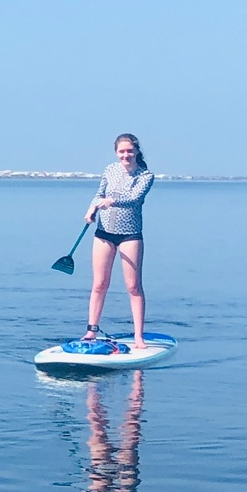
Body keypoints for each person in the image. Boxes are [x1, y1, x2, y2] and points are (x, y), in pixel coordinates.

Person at [83, 132, 154, 343]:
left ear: (137, 151)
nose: (126, 155)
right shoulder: (110, 170)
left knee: (133, 286)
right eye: (121, 151)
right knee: (99, 284)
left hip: (130, 234)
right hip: (104, 232)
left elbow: (134, 198)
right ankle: (91, 331)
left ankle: (139, 336)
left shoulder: (145, 176)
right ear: (116, 153)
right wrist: (91, 208)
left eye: (129, 151)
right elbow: (99, 194)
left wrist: (110, 201)